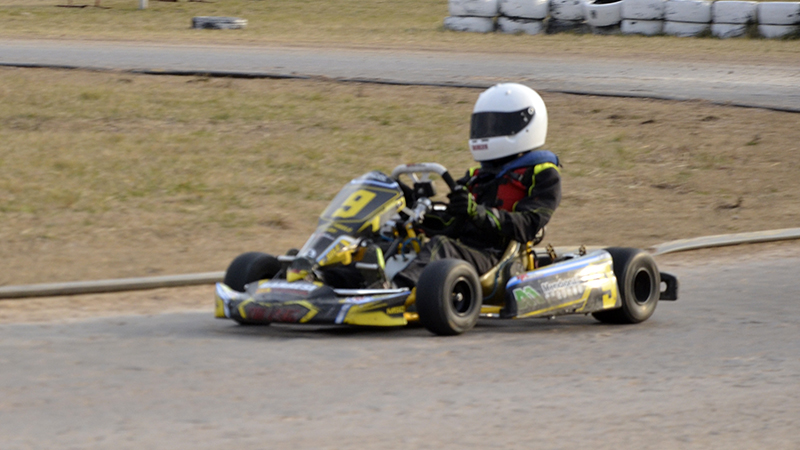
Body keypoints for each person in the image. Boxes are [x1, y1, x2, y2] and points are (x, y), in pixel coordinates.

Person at [392, 83, 562, 288]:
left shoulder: (542, 174)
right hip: (463, 250)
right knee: (394, 237)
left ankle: (397, 292)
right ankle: (350, 280)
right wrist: (412, 206)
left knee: (442, 248)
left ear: (524, 126)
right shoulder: (476, 176)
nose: (487, 131)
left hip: (496, 257)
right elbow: (451, 222)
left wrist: (478, 213)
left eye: (496, 125)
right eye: (484, 125)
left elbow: (528, 225)